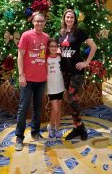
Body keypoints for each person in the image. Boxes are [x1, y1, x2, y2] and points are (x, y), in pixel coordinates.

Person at [58, 8, 97, 141]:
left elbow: (94, 46)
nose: (69, 19)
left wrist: (86, 62)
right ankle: (77, 127)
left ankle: (79, 126)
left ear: (75, 19)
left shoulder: (79, 32)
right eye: (67, 17)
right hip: (64, 71)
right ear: (64, 19)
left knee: (73, 98)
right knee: (70, 99)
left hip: (76, 70)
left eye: (72, 17)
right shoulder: (61, 33)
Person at [15, 12, 50, 151]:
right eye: (37, 21)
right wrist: (21, 75)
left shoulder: (46, 37)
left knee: (37, 107)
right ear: (33, 22)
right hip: (27, 79)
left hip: (41, 79)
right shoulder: (26, 35)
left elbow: (47, 56)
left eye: (42, 21)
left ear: (45, 22)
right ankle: (19, 137)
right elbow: (20, 55)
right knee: (23, 108)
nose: (39, 23)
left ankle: (35, 132)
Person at [46, 38, 65, 139]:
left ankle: (57, 128)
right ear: (48, 48)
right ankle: (51, 126)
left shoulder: (60, 57)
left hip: (60, 87)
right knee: (55, 108)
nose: (53, 48)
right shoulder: (46, 59)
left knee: (59, 108)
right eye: (51, 46)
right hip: (51, 88)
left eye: (55, 46)